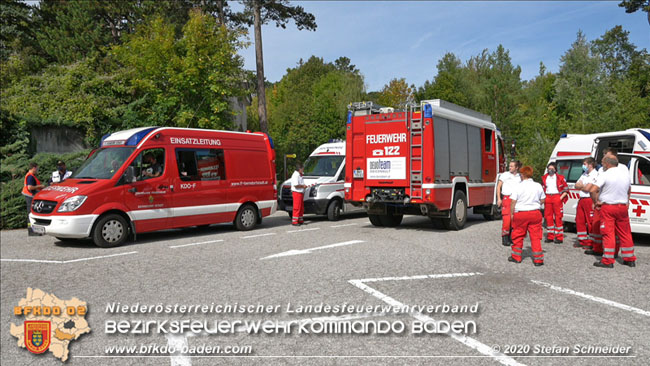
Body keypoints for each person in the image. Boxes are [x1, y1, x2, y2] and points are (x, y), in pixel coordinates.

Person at [589, 155, 636, 268]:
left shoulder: (605, 174)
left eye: (602, 162)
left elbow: (592, 189)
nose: (602, 164)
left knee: (608, 233)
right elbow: (629, 189)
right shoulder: (625, 175)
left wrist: (596, 201)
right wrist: (627, 201)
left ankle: (608, 260)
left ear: (607, 163)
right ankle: (629, 259)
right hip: (622, 207)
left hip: (609, 207)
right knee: (625, 233)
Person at [583, 148, 622, 256]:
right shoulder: (601, 170)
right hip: (599, 202)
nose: (603, 157)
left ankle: (613, 252)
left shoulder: (621, 168)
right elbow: (595, 187)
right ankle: (598, 249)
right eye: (603, 154)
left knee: (612, 230)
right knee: (597, 227)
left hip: (611, 203)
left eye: (606, 155)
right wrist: (595, 201)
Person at [509, 166, 546, 266]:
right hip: (535, 213)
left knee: (518, 235)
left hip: (521, 213)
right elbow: (543, 199)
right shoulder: (538, 185)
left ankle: (516, 257)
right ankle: (538, 260)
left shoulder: (518, 186)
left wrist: (512, 213)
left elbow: (513, 201)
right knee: (535, 237)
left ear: (522, 174)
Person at [573, 157, 598, 249]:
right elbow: (576, 185)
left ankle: (591, 242)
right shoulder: (584, 174)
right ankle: (582, 240)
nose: (583, 166)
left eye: (585, 164)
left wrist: (581, 186)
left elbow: (589, 189)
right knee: (579, 220)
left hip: (589, 199)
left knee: (590, 221)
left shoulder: (595, 174)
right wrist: (583, 186)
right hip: (582, 199)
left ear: (590, 165)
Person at [541, 162, 568, 244]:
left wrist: (560, 198)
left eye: (552, 169)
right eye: (549, 169)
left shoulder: (560, 178)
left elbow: (566, 189)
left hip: (557, 197)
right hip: (548, 197)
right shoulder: (545, 178)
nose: (550, 170)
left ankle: (559, 237)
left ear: (555, 169)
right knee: (548, 217)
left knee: (558, 217)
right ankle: (550, 236)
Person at [497, 160, 521, 246]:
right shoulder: (505, 175)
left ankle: (511, 236)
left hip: (516, 199)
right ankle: (505, 237)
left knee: (514, 219)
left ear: (516, 168)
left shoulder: (520, 177)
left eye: (512, 166)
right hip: (507, 198)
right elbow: (499, 186)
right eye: (509, 166)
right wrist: (499, 199)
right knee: (507, 219)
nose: (509, 167)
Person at [22, 162, 45, 236]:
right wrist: (40, 186)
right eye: (37, 168)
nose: (37, 170)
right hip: (30, 197)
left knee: (31, 213)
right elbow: (30, 187)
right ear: (34, 168)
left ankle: (33, 230)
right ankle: (31, 231)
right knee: (30, 214)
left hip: (30, 196)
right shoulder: (30, 176)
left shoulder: (31, 175)